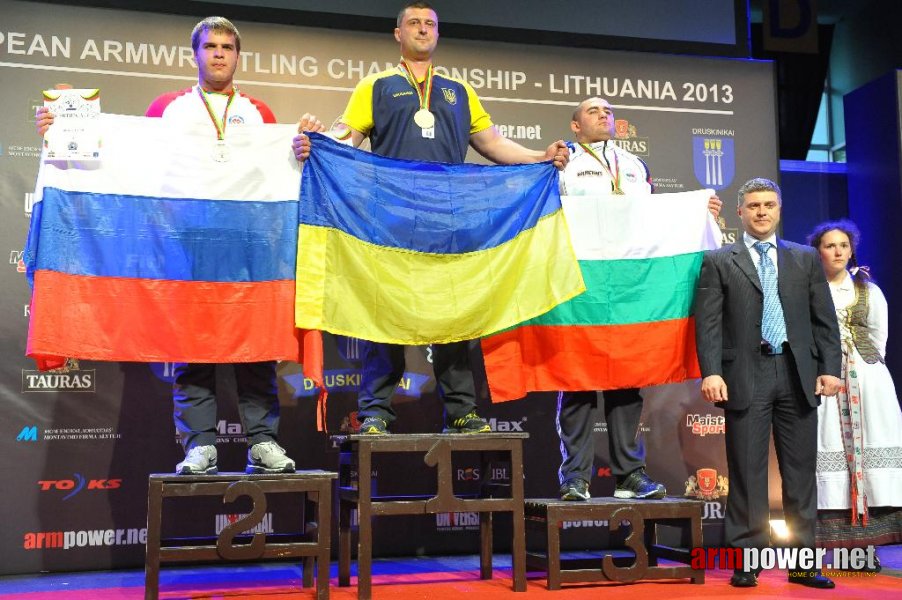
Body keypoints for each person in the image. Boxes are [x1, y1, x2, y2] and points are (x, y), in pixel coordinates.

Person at [36, 17, 323, 475]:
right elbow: (126, 160)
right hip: (185, 247)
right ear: (195, 53)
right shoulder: (167, 108)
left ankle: (263, 442)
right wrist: (59, 130)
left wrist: (305, 148)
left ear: (238, 55)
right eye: (210, 46)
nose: (220, 54)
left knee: (256, 348)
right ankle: (201, 446)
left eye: (228, 46)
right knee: (192, 349)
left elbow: (285, 174)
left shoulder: (260, 113)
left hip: (249, 248)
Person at [293, 1, 569, 435]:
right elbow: (345, 138)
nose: (423, 30)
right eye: (414, 23)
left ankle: (462, 411)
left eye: (430, 24)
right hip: (391, 221)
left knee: (456, 314)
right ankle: (374, 413)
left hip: (449, 221)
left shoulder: (459, 91)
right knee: (382, 314)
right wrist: (315, 143)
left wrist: (540, 157)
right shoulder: (376, 85)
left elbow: (493, 144)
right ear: (397, 34)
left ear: (437, 34)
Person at [556, 97, 723, 502]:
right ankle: (574, 479)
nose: (603, 115)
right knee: (578, 383)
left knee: (627, 383)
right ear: (576, 125)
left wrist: (699, 212)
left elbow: (651, 220)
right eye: (593, 111)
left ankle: (629, 474)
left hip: (628, 285)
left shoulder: (634, 165)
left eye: (608, 111)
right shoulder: (561, 161)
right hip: (581, 283)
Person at [694, 177, 842, 588]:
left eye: (769, 205)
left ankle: (804, 563)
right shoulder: (719, 259)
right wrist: (711, 371)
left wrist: (831, 368)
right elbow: (706, 324)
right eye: (754, 205)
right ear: (740, 212)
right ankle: (747, 561)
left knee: (799, 474)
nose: (762, 212)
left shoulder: (804, 259)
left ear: (779, 210)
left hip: (798, 375)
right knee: (746, 473)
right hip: (745, 375)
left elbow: (823, 321)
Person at [807, 220, 902, 559]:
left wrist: (861, 365)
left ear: (851, 250)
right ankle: (831, 546)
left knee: (874, 446)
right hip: (826, 381)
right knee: (829, 444)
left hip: (867, 379)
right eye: (830, 245)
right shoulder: (810, 288)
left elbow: (879, 337)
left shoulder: (867, 290)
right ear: (818, 251)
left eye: (843, 245)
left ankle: (868, 546)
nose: (837, 251)